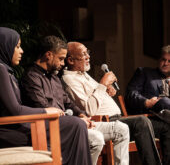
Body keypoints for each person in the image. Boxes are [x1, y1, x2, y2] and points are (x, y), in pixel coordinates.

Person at [21, 35, 130, 165]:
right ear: (48, 55)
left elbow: (68, 102)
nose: (63, 63)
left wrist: (81, 114)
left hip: (70, 123)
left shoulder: (54, 77)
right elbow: (43, 108)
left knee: (121, 129)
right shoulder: (32, 77)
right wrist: (77, 120)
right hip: (52, 129)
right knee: (96, 138)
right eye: (61, 59)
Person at [0, 27, 92, 165]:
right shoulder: (1, 70)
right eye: (17, 46)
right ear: (4, 46)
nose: (21, 51)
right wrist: (46, 111)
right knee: (75, 125)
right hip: (9, 132)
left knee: (76, 125)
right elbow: (15, 110)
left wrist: (80, 114)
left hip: (18, 126)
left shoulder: (7, 71)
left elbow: (67, 101)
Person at [62, 41, 162, 165]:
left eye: (88, 52)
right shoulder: (69, 79)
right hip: (104, 121)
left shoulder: (84, 75)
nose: (88, 56)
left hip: (117, 119)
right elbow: (88, 109)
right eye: (83, 54)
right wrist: (103, 84)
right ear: (71, 60)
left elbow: (96, 95)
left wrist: (106, 91)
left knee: (164, 127)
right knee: (141, 122)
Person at [125, 45, 170, 165]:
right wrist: (146, 102)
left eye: (169, 61)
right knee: (164, 102)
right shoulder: (144, 73)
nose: (165, 63)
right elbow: (131, 95)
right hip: (148, 122)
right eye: (163, 59)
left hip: (166, 123)